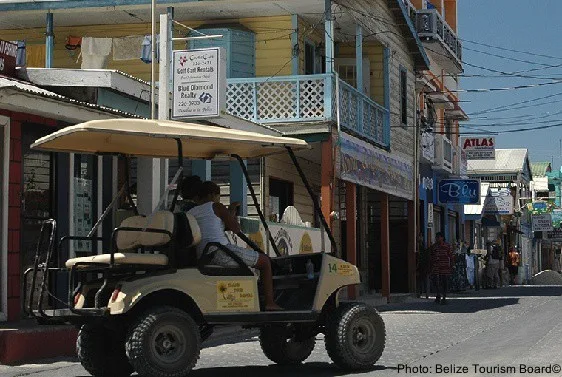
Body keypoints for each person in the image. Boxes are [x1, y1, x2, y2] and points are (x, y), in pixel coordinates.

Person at [187, 181, 282, 311]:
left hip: (204, 254)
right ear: (211, 195)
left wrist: (229, 213)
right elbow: (235, 228)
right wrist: (231, 211)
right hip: (219, 251)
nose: (218, 199)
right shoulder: (216, 206)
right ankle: (270, 303)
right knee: (265, 261)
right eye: (218, 196)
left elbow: (221, 226)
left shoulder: (192, 212)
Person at [430, 232, 454, 304]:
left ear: (442, 238)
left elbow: (451, 256)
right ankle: (438, 294)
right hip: (436, 266)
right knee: (436, 281)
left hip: (445, 266)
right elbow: (431, 256)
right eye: (436, 237)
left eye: (438, 237)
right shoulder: (434, 247)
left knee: (444, 281)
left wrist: (452, 265)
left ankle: (444, 296)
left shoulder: (447, 246)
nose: (437, 239)